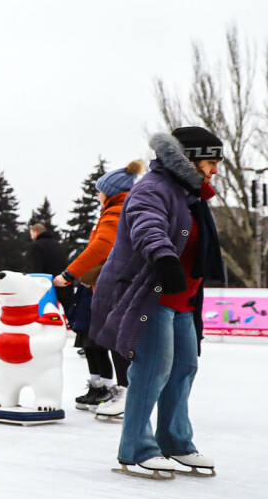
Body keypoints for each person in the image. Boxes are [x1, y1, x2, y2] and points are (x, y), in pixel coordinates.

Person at [91, 129, 223, 479]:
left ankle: (175, 441)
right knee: (152, 370)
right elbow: (148, 226)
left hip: (182, 298)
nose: (215, 170)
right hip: (149, 294)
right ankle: (136, 449)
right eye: (211, 162)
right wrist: (164, 258)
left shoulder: (191, 194)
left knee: (183, 368)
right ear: (189, 159)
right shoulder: (153, 188)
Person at [55, 160, 143, 415]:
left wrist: (69, 273)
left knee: (117, 341)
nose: (97, 195)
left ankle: (126, 394)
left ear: (111, 191)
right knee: (115, 340)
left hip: (116, 285)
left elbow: (101, 247)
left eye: (99, 190)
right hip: (119, 283)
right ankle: (124, 392)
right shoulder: (124, 209)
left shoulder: (115, 212)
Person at [28, 222, 71, 313]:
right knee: (68, 310)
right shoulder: (57, 244)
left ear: (36, 233)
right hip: (64, 281)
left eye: (31, 234)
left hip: (48, 284)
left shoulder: (37, 246)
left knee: (46, 312)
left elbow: (38, 269)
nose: (31, 237)